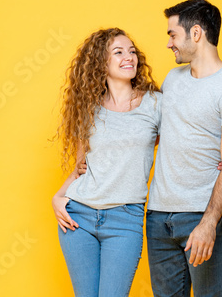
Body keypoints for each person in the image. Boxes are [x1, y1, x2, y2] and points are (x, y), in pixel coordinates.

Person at [146, 0, 222, 296]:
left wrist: (209, 224)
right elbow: (156, 132)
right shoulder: (172, 78)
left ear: (196, 33)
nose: (169, 44)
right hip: (158, 217)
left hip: (201, 216)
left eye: (172, 34)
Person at [51, 27, 161, 296]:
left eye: (132, 51)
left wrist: (216, 157)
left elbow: (181, 143)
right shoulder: (88, 108)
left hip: (125, 219)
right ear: (101, 62)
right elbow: (80, 168)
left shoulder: (155, 104)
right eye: (119, 52)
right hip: (79, 217)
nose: (129, 57)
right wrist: (58, 197)